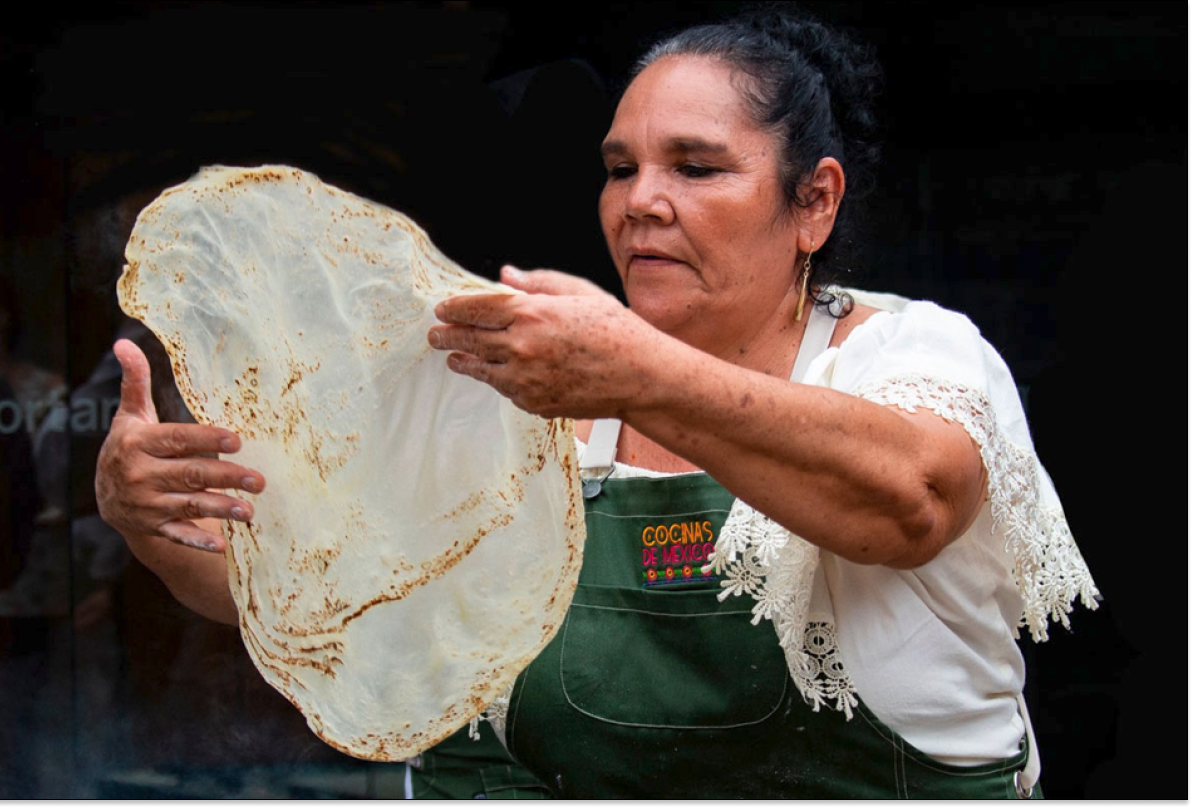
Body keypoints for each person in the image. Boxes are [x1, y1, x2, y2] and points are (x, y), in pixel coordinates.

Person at [96, 7, 1097, 799]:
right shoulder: (538, 381)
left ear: (813, 202)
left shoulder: (905, 353)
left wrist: (634, 370)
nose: (639, 201)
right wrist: (152, 523)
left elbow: (909, 502)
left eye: (693, 167)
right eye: (620, 169)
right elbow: (323, 601)